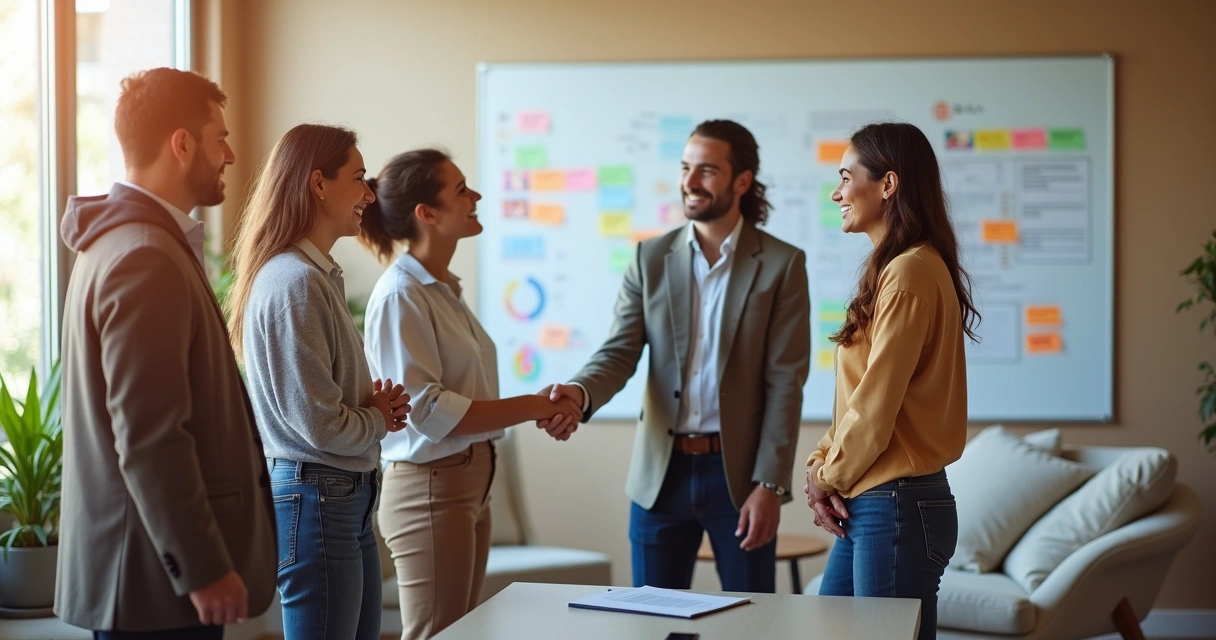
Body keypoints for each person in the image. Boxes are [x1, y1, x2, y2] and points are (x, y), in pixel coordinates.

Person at [56, 67, 276, 639]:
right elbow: (150, 436)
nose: (230, 156)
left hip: (146, 577)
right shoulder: (145, 256)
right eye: (219, 138)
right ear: (182, 144)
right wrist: (201, 569)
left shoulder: (116, 243)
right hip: (155, 588)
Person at [545, 120, 811, 593]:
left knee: (751, 619)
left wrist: (770, 485)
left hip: (740, 478)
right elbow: (619, 352)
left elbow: (785, 381)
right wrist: (580, 392)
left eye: (706, 170)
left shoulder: (781, 264)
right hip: (660, 475)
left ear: (742, 181)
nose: (689, 181)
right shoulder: (650, 258)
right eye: (686, 168)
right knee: (651, 618)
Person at [358, 149, 583, 639]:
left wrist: (538, 404)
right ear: (427, 213)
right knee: (437, 635)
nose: (475, 196)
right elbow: (429, 411)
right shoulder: (401, 294)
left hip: (470, 481)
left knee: (459, 634)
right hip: (432, 486)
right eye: (461, 190)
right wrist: (536, 406)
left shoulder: (442, 289)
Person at [226, 124, 411, 640]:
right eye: (358, 178)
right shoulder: (296, 282)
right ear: (318, 183)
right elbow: (320, 423)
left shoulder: (313, 276)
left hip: (341, 498)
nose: (369, 194)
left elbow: (319, 407)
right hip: (321, 500)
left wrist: (373, 409)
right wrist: (378, 417)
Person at [804, 122, 980, 640]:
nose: (837, 193)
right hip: (875, 499)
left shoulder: (909, 272)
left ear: (887, 184)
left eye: (846, 177)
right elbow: (859, 399)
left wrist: (826, 477)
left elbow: (875, 408)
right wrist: (820, 463)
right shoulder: (897, 270)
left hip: (895, 503)